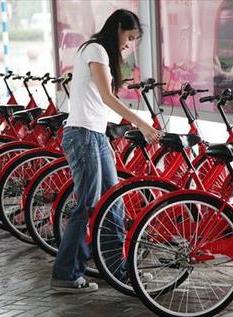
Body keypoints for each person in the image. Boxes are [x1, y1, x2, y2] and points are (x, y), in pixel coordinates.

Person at [51, 9, 161, 293]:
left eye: (135, 39)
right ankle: (66, 273)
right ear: (118, 28)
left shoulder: (100, 52)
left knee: (114, 202)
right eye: (129, 36)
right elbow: (106, 97)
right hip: (83, 135)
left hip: (96, 136)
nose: (129, 43)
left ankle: (117, 271)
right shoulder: (96, 50)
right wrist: (142, 124)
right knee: (88, 205)